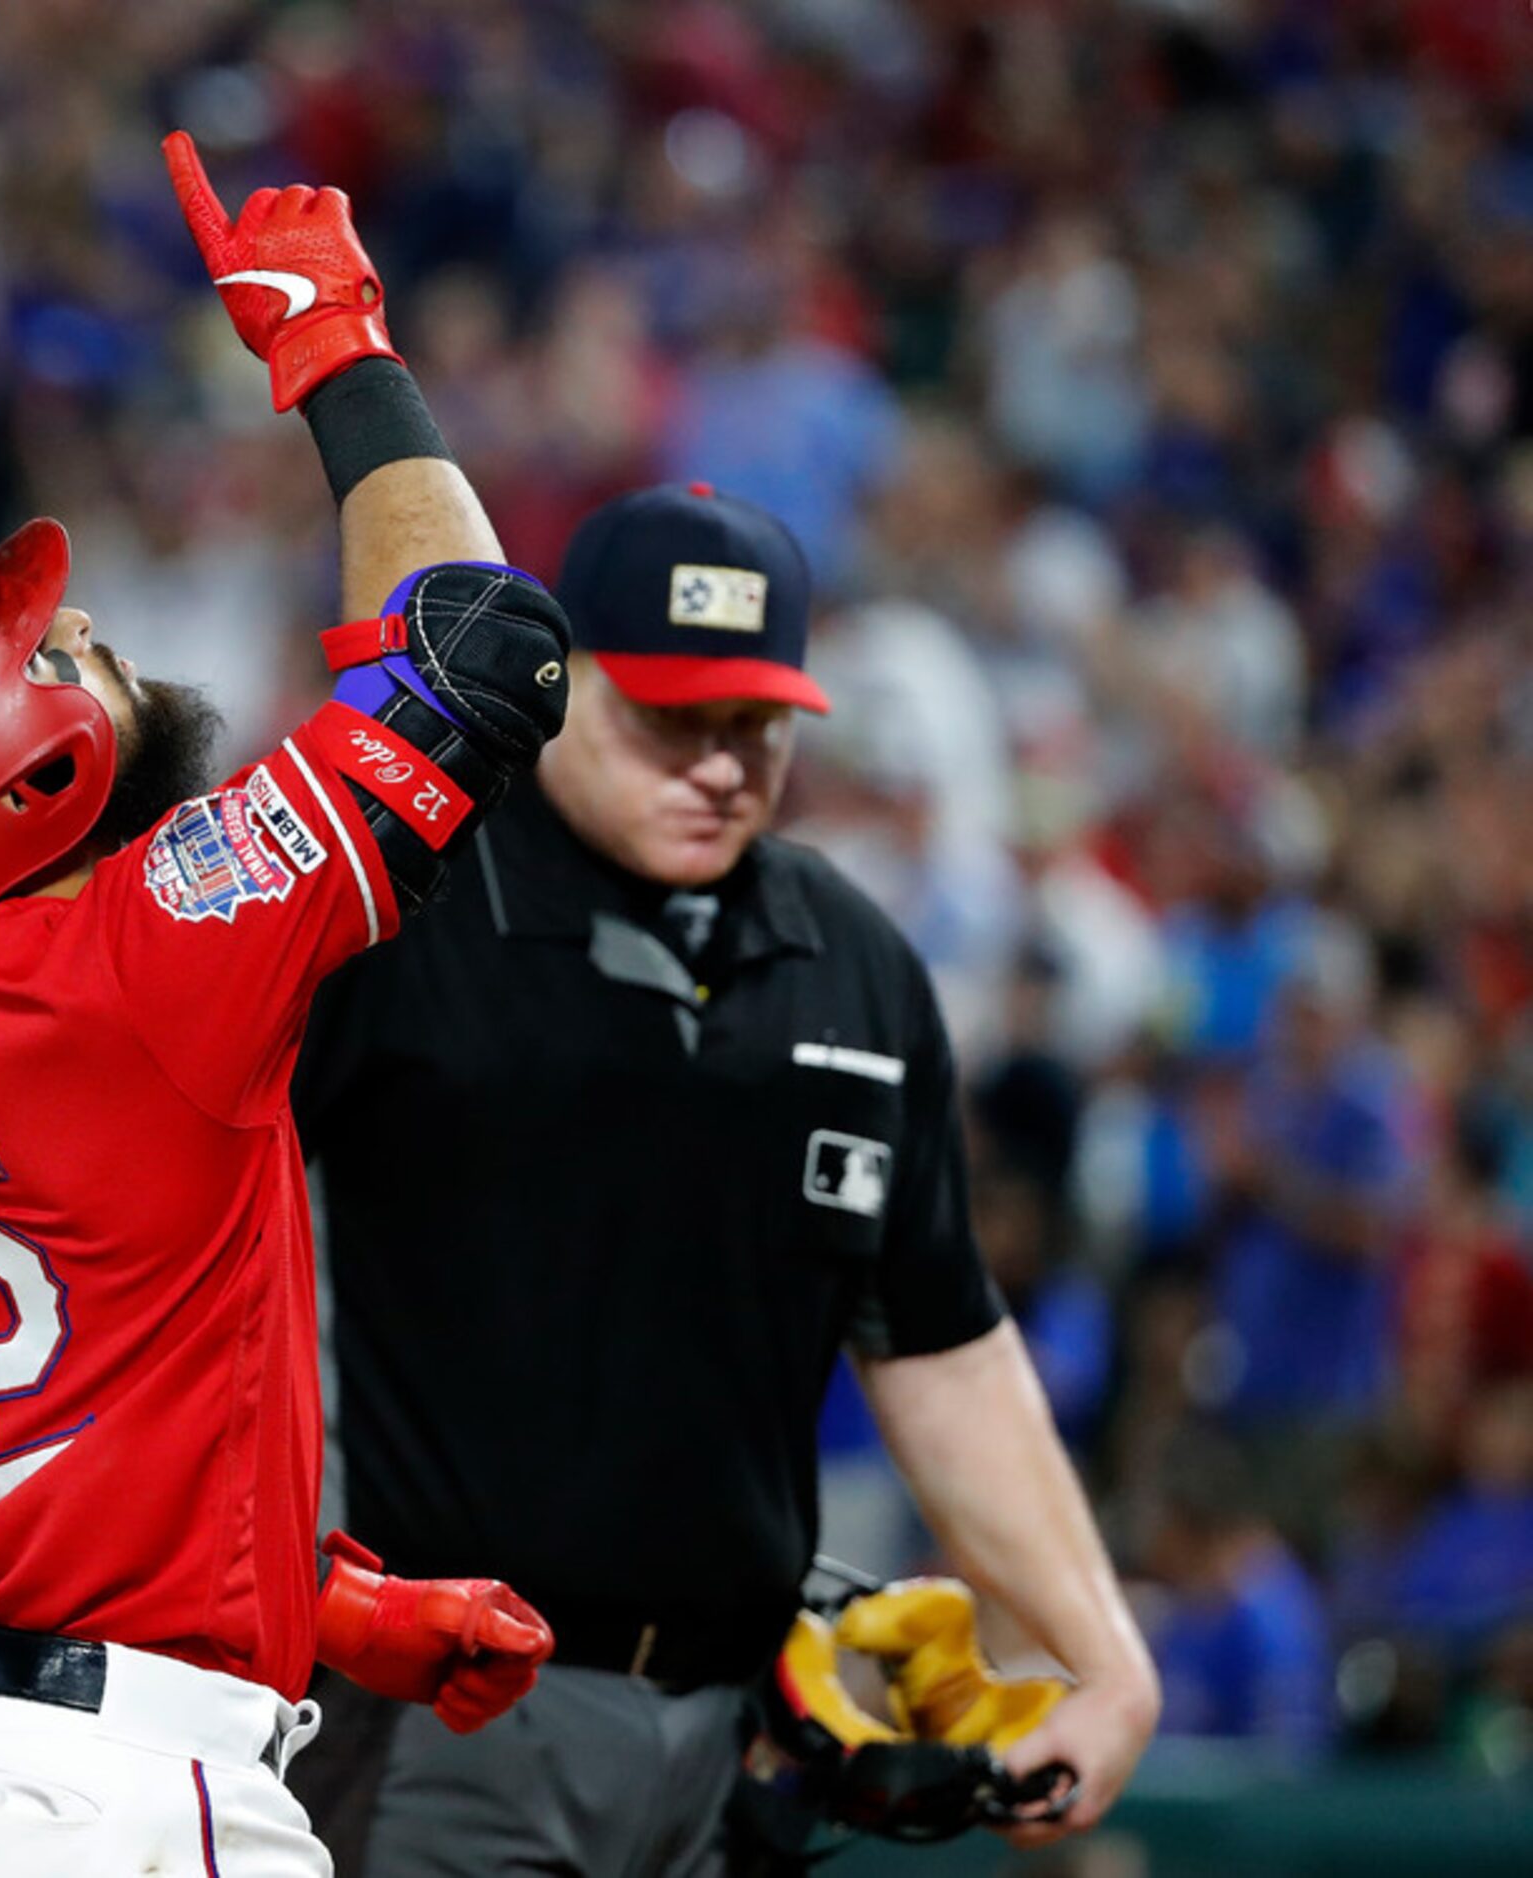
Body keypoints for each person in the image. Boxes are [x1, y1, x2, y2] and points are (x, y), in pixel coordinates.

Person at [0, 134, 569, 1878]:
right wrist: (335, 349)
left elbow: (49, 1461)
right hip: (80, 1800)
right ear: (5, 772)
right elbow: (488, 647)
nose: (82, 623)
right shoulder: (134, 952)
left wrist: (317, 1599)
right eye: (36, 655)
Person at [289, 483, 1161, 1874]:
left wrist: (1099, 1652)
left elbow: (940, 1339)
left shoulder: (852, 960)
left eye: (752, 725)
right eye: (670, 717)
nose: (718, 764)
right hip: (430, 1711)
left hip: (731, 1741)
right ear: (562, 684)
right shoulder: (405, 904)